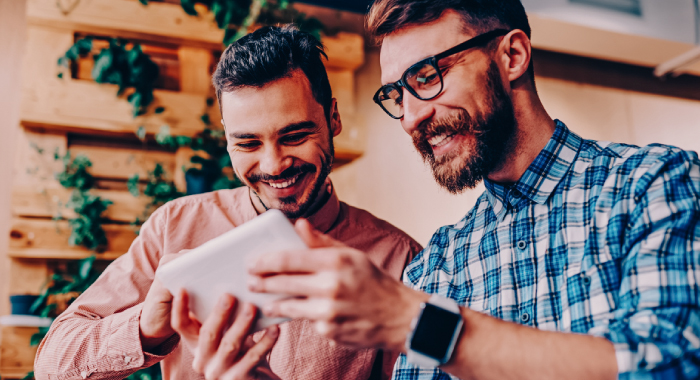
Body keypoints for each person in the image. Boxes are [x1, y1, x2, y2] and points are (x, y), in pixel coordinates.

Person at [185, 1, 700, 379]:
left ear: (513, 54)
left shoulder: (652, 185)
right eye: (396, 94)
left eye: (428, 77)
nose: (412, 117)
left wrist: (410, 318)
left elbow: (671, 364)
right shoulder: (440, 262)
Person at [33, 25, 422, 380]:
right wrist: (145, 328)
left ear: (332, 119)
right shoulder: (175, 226)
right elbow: (52, 364)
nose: (273, 165)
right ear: (226, 138)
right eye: (247, 143)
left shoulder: (402, 261)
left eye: (295, 135)